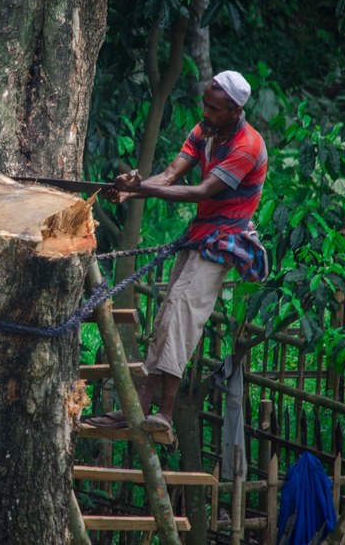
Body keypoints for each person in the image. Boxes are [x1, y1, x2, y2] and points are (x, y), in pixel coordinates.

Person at [86, 71, 268, 433]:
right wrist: (132, 190)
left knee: (182, 316)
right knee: (168, 316)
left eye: (214, 109)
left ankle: (165, 414)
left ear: (234, 111)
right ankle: (140, 407)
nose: (206, 112)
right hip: (200, 235)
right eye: (205, 104)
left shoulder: (247, 146)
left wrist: (139, 191)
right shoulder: (205, 132)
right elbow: (169, 175)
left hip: (224, 241)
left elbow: (201, 192)